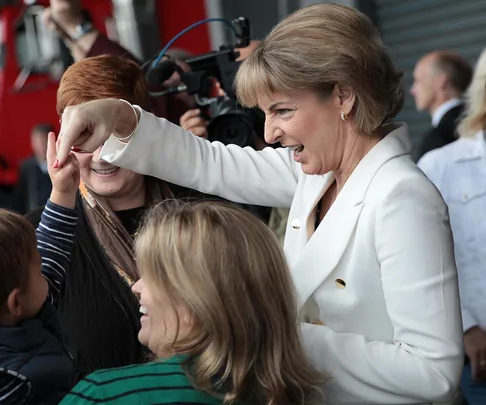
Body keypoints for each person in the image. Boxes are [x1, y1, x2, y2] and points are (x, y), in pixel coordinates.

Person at [54, 4, 464, 404]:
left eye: (282, 110)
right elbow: (208, 162)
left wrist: (268, 336)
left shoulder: (401, 195)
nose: (269, 133)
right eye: (266, 113)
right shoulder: (317, 173)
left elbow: (433, 374)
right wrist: (121, 118)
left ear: (343, 96)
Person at [27, 54, 208, 377]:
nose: (101, 154)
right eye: (84, 135)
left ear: (141, 126)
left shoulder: (203, 211)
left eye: (114, 134)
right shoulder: (33, 239)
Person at [60, 200, 323, 405]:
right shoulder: (295, 394)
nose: (135, 287)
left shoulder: (104, 395)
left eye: (151, 275)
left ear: (196, 297)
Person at [418, 47, 486, 405]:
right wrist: (466, 326)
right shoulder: (440, 162)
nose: (412, 91)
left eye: (418, 81)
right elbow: (431, 257)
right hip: (478, 357)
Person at [0, 132, 79, 404]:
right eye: (38, 270)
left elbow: (49, 250)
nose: (44, 266)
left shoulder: (22, 301)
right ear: (16, 302)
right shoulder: (27, 385)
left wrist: (62, 190)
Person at [410, 51, 472, 160]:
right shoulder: (476, 124)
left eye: (417, 80)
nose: (412, 90)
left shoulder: (436, 139)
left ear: (441, 81)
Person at [14, 123, 54, 214]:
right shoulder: (26, 167)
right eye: (39, 142)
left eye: (45, 142)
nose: (42, 147)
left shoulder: (61, 163)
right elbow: (20, 198)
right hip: (34, 215)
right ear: (33, 143)